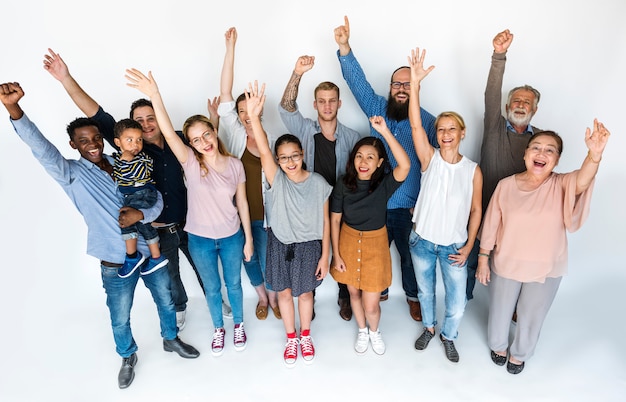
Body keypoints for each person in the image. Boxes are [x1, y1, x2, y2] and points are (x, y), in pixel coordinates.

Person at [0, 82, 200, 389]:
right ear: (73, 145)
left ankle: (171, 339)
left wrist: (142, 215)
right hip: (114, 260)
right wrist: (14, 110)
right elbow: (41, 148)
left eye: (96, 138)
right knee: (120, 315)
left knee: (165, 300)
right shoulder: (72, 173)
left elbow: (155, 198)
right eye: (84, 141)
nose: (92, 144)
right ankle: (127, 356)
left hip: (150, 251)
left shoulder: (124, 165)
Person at [43, 49, 231, 330]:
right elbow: (95, 112)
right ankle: (180, 307)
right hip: (156, 228)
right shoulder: (129, 146)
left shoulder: (178, 140)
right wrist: (65, 78)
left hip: (190, 223)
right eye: (139, 121)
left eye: (150, 118)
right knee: (170, 276)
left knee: (204, 268)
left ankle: (215, 300)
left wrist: (214, 121)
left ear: (160, 119)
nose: (145, 125)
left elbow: (205, 145)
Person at [126, 69, 254, 357]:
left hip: (232, 237)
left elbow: (243, 204)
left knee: (233, 284)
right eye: (195, 139)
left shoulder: (235, 165)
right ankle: (219, 328)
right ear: (191, 144)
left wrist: (248, 239)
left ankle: (239, 326)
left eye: (206, 134)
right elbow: (169, 133)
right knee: (211, 288)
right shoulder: (191, 165)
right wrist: (154, 94)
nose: (204, 142)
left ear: (213, 131)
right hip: (200, 240)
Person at [476, 122, 609, 374]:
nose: (541, 153)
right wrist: (483, 259)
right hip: (507, 262)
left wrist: (594, 155)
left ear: (557, 160)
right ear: (525, 154)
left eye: (550, 150)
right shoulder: (505, 185)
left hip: (546, 267)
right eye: (536, 147)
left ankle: (520, 353)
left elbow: (583, 180)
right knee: (501, 309)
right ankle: (498, 346)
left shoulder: (562, 184)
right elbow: (491, 224)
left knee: (532, 314)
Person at [334, 16, 438, 321]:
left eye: (408, 84)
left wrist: (423, 205)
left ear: (417, 86)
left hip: (408, 208)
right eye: (397, 84)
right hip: (372, 206)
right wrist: (344, 48)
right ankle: (360, 293)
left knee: (409, 258)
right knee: (364, 255)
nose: (402, 89)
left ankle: (412, 296)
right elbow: (357, 83)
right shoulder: (377, 107)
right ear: (390, 87)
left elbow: (434, 167)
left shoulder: (428, 122)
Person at [246, 80, 332, 367]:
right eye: (284, 158)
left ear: (303, 155)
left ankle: (305, 334)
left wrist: (325, 254)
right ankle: (291, 337)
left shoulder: (318, 182)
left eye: (295, 155)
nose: (290, 161)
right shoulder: (276, 179)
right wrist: (255, 116)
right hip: (279, 243)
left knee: (305, 293)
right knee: (283, 293)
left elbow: (326, 222)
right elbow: (264, 151)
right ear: (279, 162)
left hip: (309, 247)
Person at [406, 49, 482, 364]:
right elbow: (414, 126)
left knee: (457, 302)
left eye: (452, 129)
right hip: (422, 241)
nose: (446, 134)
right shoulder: (430, 159)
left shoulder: (473, 170)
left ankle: (449, 336)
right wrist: (415, 85)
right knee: (426, 293)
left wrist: (468, 247)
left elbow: (476, 211)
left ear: (462, 134)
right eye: (441, 129)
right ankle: (429, 327)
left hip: (454, 246)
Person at [279, 54, 362, 322]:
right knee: (309, 251)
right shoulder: (304, 130)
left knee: (343, 250)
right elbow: (285, 107)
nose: (327, 106)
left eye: (332, 101)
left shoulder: (352, 137)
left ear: (339, 103)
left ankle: (344, 295)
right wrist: (297, 73)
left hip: (341, 206)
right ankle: (308, 299)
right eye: (322, 101)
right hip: (307, 207)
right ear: (315, 104)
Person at [466, 29, 543, 301]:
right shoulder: (495, 126)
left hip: (518, 221)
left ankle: (507, 307)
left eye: (527, 102)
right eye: (517, 100)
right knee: (472, 263)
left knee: (511, 271)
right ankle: (463, 303)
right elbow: (491, 92)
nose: (521, 105)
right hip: (483, 211)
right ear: (508, 104)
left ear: (534, 110)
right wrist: (499, 55)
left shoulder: (541, 143)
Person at [330, 116, 410, 355]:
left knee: (371, 303)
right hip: (347, 239)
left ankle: (374, 332)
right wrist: (336, 255)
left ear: (379, 163)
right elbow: (335, 220)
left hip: (376, 245)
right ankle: (362, 330)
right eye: (359, 156)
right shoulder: (343, 183)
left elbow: (405, 166)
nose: (363, 162)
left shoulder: (384, 184)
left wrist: (385, 132)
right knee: (353, 292)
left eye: (370, 157)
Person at [216, 27, 279, 321]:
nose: (244, 113)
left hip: (269, 214)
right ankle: (263, 298)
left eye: (249, 108)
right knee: (249, 258)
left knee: (269, 259)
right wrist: (230, 48)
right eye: (241, 110)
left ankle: (277, 298)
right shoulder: (233, 134)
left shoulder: (273, 135)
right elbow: (226, 93)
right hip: (239, 213)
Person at [112, 118, 168, 278]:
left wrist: (126, 163)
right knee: (143, 225)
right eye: (129, 140)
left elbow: (137, 176)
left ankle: (132, 257)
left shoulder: (141, 158)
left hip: (144, 193)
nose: (135, 144)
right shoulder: (118, 158)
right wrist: (123, 161)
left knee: (126, 220)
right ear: (118, 142)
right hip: (134, 195)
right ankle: (156, 256)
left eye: (139, 140)